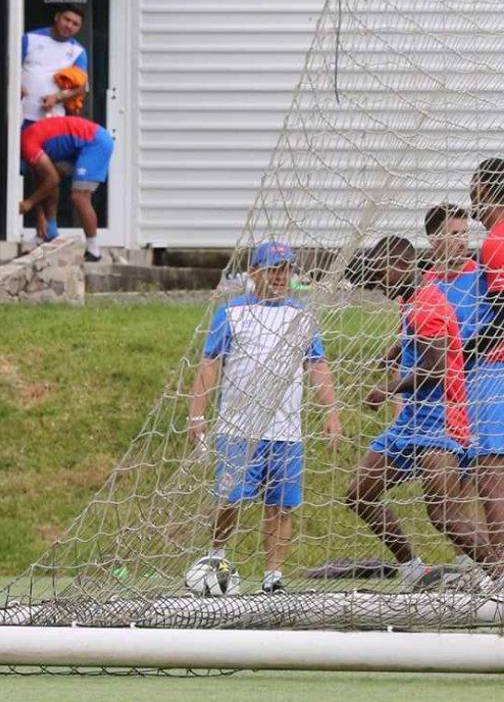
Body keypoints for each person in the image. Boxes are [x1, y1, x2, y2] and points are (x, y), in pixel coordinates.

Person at [344, 235, 498, 588]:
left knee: (444, 513)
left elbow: (436, 367)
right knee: (359, 494)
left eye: (379, 274)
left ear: (398, 267)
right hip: (410, 423)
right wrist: (393, 354)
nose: (377, 283)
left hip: (440, 425)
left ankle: (498, 573)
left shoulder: (427, 302)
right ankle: (414, 569)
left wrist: (388, 387)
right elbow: (420, 341)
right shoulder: (414, 301)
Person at [187, 242, 339, 593]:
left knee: (281, 505)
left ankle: (273, 577)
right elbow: (210, 364)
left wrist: (331, 410)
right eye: (274, 269)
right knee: (230, 499)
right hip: (238, 428)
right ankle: (215, 557)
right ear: (254, 272)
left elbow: (317, 365)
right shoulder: (231, 312)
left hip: (286, 431)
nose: (282, 276)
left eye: (287, 269)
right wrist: (196, 414)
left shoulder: (301, 316)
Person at [467, 158, 504, 557]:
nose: (470, 195)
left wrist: (462, 352)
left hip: (496, 370)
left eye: (473, 187)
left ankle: (502, 574)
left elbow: (503, 312)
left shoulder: (496, 242)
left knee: (491, 474)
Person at [18, 115, 115, 262]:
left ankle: (93, 250)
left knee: (79, 196)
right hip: (81, 144)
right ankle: (49, 232)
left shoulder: (27, 145)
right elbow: (44, 182)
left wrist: (28, 203)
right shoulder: (29, 141)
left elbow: (52, 180)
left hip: (94, 142)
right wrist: (40, 217)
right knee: (49, 176)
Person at [20, 4, 89, 126]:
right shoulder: (30, 39)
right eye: (66, 19)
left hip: (53, 118)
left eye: (75, 24)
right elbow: (9, 68)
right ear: (57, 17)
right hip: (20, 114)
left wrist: (57, 97)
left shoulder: (78, 51)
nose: (69, 26)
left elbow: (81, 88)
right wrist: (17, 86)